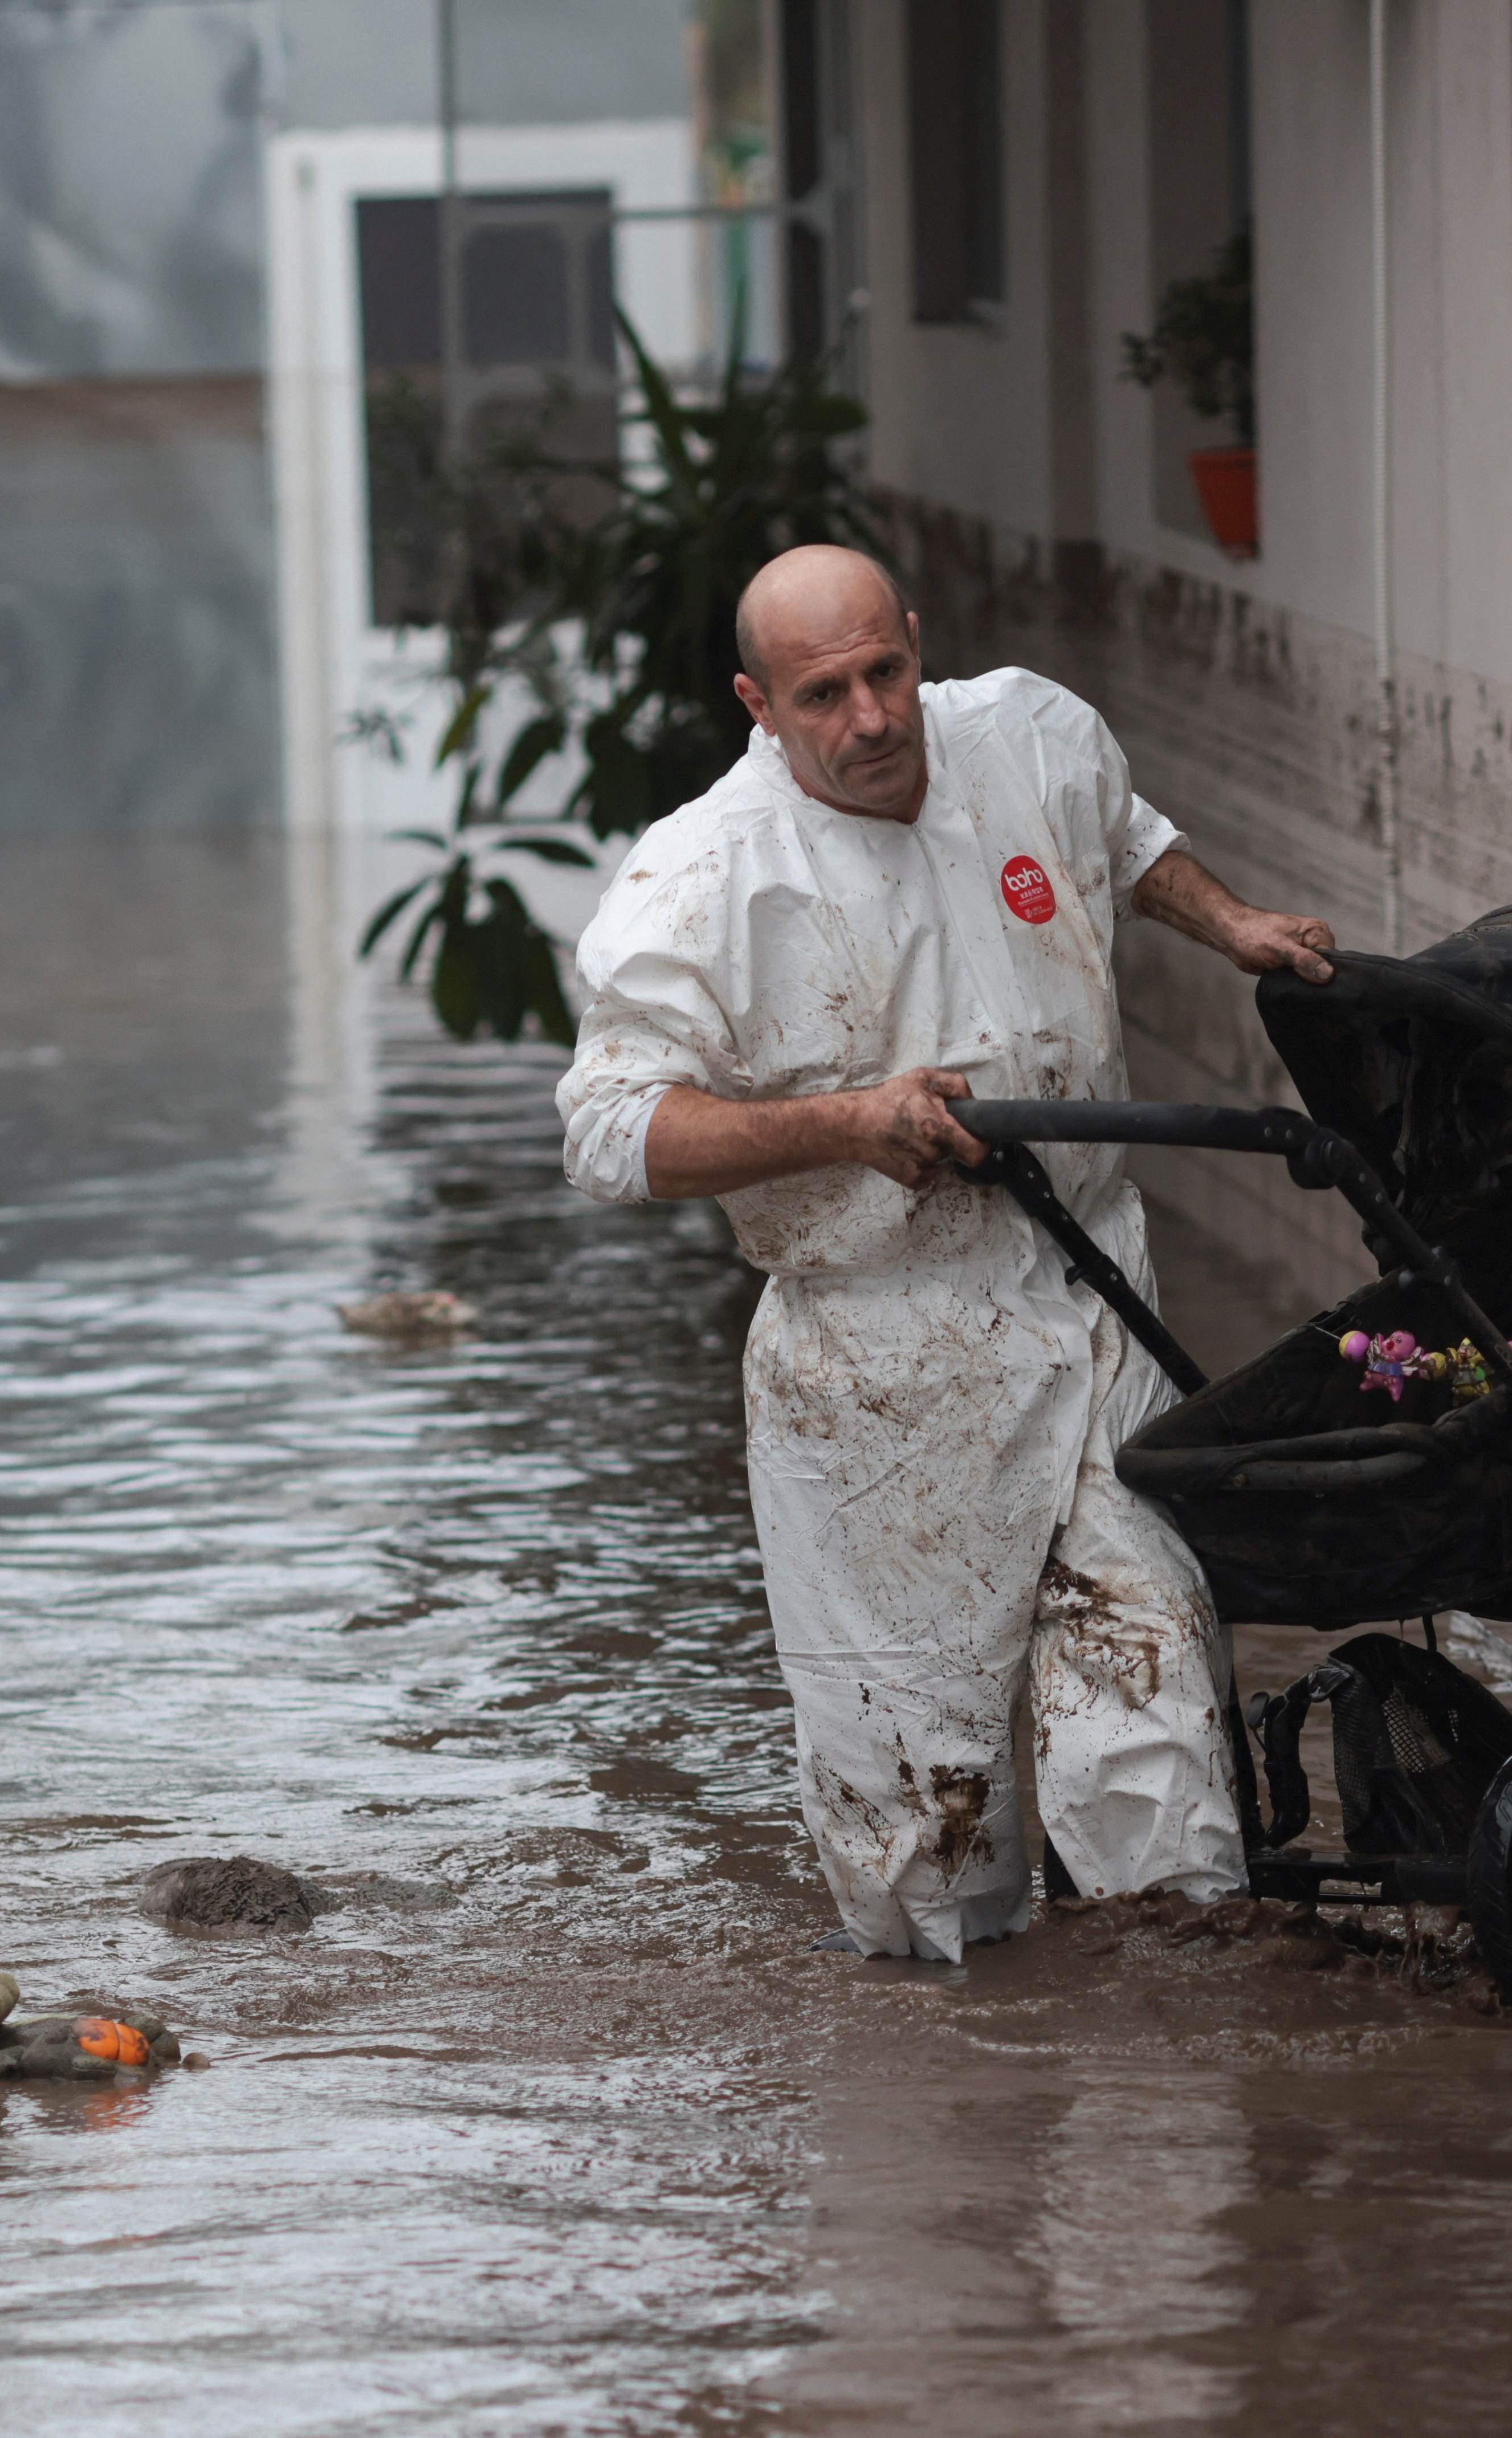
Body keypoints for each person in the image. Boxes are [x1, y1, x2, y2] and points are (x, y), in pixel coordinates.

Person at [555, 544, 1339, 1960]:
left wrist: (1234, 927)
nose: (870, 718)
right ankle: (949, 2095)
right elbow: (612, 1135)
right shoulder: (702, 877)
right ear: (757, 704)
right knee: (929, 1823)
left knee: (1149, 1705)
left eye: (886, 672)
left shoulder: (1029, 732)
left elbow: (1125, 832)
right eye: (823, 695)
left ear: (918, 644)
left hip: (1090, 1290)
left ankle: (1165, 2087)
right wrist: (848, 1124)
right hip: (878, 1369)